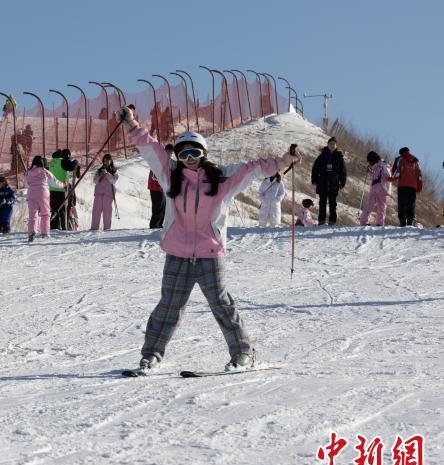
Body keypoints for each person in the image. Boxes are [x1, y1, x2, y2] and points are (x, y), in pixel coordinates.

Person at [116, 105, 300, 375]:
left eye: (195, 152)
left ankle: (243, 353)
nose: (190, 157)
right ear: (178, 156)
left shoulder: (222, 178)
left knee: (222, 304)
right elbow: (152, 149)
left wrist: (282, 162)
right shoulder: (170, 177)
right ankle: (152, 356)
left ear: (204, 154)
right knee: (168, 307)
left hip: (209, 254)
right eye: (184, 153)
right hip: (178, 253)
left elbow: (252, 168)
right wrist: (132, 125)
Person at [26, 155, 63, 242]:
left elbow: (26, 184)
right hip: (43, 194)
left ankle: (31, 233)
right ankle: (45, 233)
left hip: (31, 194)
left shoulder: (28, 172)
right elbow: (55, 182)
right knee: (45, 214)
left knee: (32, 215)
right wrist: (63, 185)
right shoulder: (45, 171)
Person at [311, 137, 347, 225]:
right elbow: (315, 168)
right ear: (328, 145)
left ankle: (332, 222)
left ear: (336, 145)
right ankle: (321, 221)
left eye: (334, 144)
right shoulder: (322, 156)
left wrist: (342, 182)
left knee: (333, 204)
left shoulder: (339, 157)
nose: (332, 145)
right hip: (322, 182)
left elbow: (343, 171)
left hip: (334, 183)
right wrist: (314, 179)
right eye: (331, 144)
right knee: (322, 203)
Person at [389, 147, 423, 226]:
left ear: (401, 153)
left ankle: (402, 223)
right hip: (413, 188)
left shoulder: (401, 160)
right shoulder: (416, 162)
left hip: (403, 186)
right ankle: (410, 223)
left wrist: (390, 179)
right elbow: (419, 175)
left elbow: (397, 172)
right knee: (411, 205)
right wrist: (420, 186)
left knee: (402, 205)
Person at [359, 151, 392, 226]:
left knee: (381, 208)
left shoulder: (384, 165)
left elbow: (387, 177)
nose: (369, 163)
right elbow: (374, 177)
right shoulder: (377, 166)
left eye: (369, 161)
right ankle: (364, 221)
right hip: (375, 189)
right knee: (369, 206)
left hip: (383, 190)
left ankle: (379, 223)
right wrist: (369, 172)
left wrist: (384, 183)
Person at [90, 154, 119, 231]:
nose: (106, 162)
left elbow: (114, 181)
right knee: (96, 211)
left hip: (108, 194)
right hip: (99, 193)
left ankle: (107, 228)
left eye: (108, 160)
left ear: (111, 161)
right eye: (105, 160)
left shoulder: (114, 170)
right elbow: (95, 181)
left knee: (107, 212)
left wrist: (107, 174)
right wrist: (100, 175)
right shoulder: (99, 170)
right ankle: (94, 228)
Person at [148, 144, 172, 228]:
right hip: (155, 187)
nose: (170, 154)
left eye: (171, 153)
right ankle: (154, 225)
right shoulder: (158, 160)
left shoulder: (166, 161)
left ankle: (159, 224)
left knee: (163, 206)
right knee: (158, 206)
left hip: (161, 188)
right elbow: (154, 176)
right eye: (169, 152)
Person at [48, 150, 69, 230]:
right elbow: (71, 166)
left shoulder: (51, 162)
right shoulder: (62, 161)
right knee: (62, 210)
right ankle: (64, 227)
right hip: (60, 189)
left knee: (54, 209)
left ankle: (53, 227)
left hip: (51, 190)